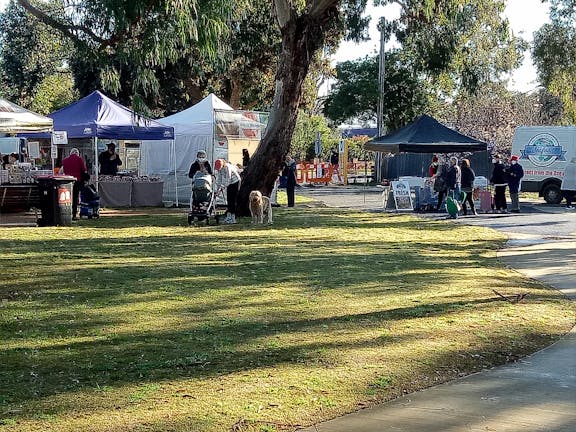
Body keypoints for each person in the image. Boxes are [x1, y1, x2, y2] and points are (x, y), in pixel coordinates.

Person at [61, 148, 88, 220]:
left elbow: (62, 171)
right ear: (77, 153)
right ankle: (74, 214)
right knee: (75, 197)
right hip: (77, 181)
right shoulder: (79, 159)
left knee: (67, 197)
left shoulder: (65, 160)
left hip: (66, 181)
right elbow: (84, 170)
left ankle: (66, 213)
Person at [214, 158, 241, 224]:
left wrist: (221, 189)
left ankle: (233, 218)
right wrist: (217, 190)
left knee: (233, 200)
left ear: (222, 165)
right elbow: (219, 180)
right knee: (229, 200)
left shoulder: (228, 168)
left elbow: (228, 180)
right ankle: (229, 217)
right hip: (229, 183)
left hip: (235, 182)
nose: (218, 169)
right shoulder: (220, 169)